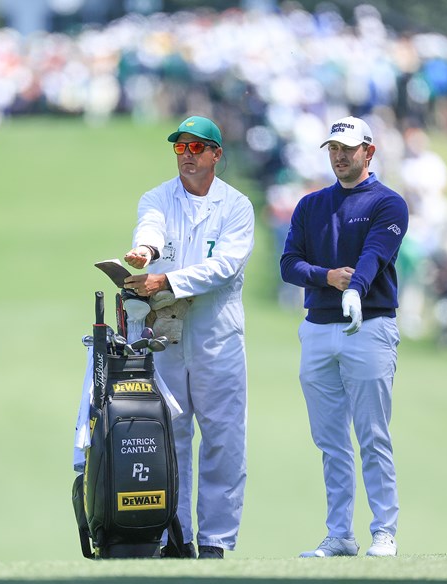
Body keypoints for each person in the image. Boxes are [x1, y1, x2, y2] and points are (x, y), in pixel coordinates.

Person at [122, 115, 255, 560]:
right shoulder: (157, 197)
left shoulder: (236, 206)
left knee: (223, 436)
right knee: (169, 433)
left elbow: (225, 267)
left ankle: (215, 539)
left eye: (197, 148)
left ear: (217, 153)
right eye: (181, 148)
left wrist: (168, 281)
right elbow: (151, 229)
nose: (188, 156)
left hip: (217, 333)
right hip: (168, 334)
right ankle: (172, 536)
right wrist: (143, 253)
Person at [280, 116, 408, 558]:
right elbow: (289, 264)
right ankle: (340, 535)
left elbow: (375, 253)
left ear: (368, 152)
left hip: (369, 326)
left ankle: (384, 531)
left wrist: (354, 287)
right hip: (317, 329)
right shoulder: (311, 205)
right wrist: (327, 277)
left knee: (373, 435)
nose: (338, 156)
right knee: (331, 442)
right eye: (333, 148)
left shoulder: (388, 203)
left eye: (347, 149)